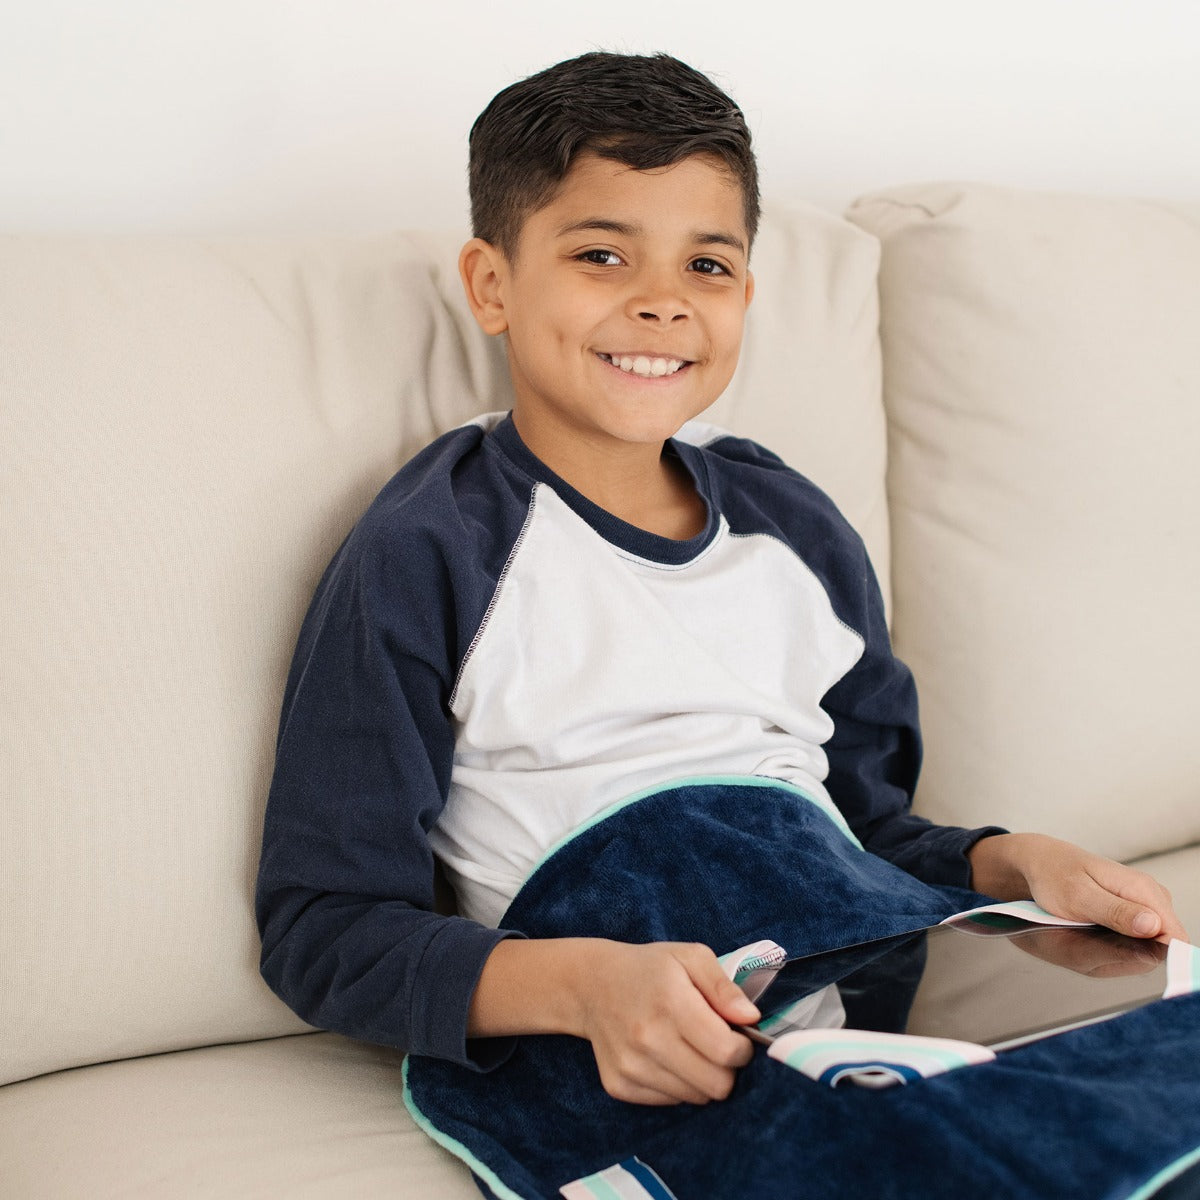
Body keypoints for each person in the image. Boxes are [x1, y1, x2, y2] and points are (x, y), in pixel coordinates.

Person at [255, 50, 1184, 1112]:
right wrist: (585, 987)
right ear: (493, 284)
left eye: (706, 265)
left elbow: (865, 834)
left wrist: (1017, 866)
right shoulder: (430, 550)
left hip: (854, 974)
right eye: (603, 254)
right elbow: (323, 926)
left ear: (747, 287)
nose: (662, 305)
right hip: (647, 1024)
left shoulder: (795, 530)